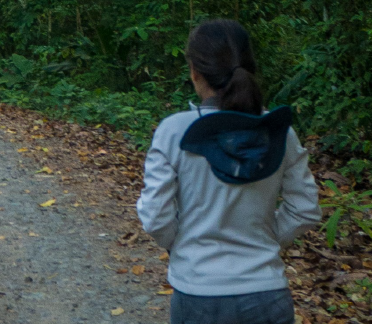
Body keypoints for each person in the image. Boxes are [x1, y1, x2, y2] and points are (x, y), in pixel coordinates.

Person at [136, 19, 321, 324]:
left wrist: (182, 245)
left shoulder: (173, 131)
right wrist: (267, 239)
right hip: (267, 293)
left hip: (198, 295)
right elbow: (305, 210)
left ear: (195, 71)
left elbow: (156, 217)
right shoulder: (278, 132)